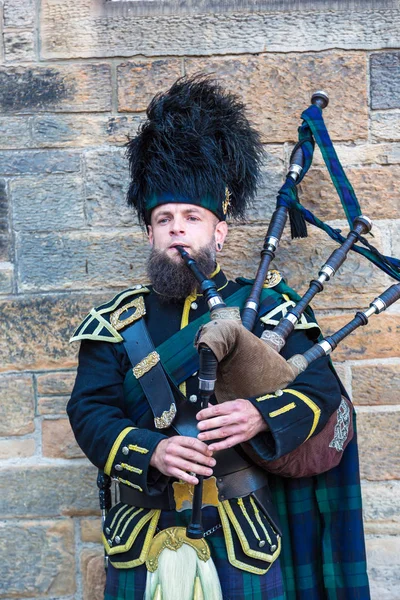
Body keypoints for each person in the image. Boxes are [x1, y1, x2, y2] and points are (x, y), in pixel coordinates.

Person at [67, 76, 370, 600]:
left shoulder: (272, 308)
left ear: (220, 231)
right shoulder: (114, 321)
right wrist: (151, 451)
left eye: (192, 217)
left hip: (244, 536)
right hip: (141, 537)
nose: (177, 229)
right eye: (164, 219)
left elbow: (321, 396)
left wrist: (260, 415)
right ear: (149, 234)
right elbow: (89, 410)